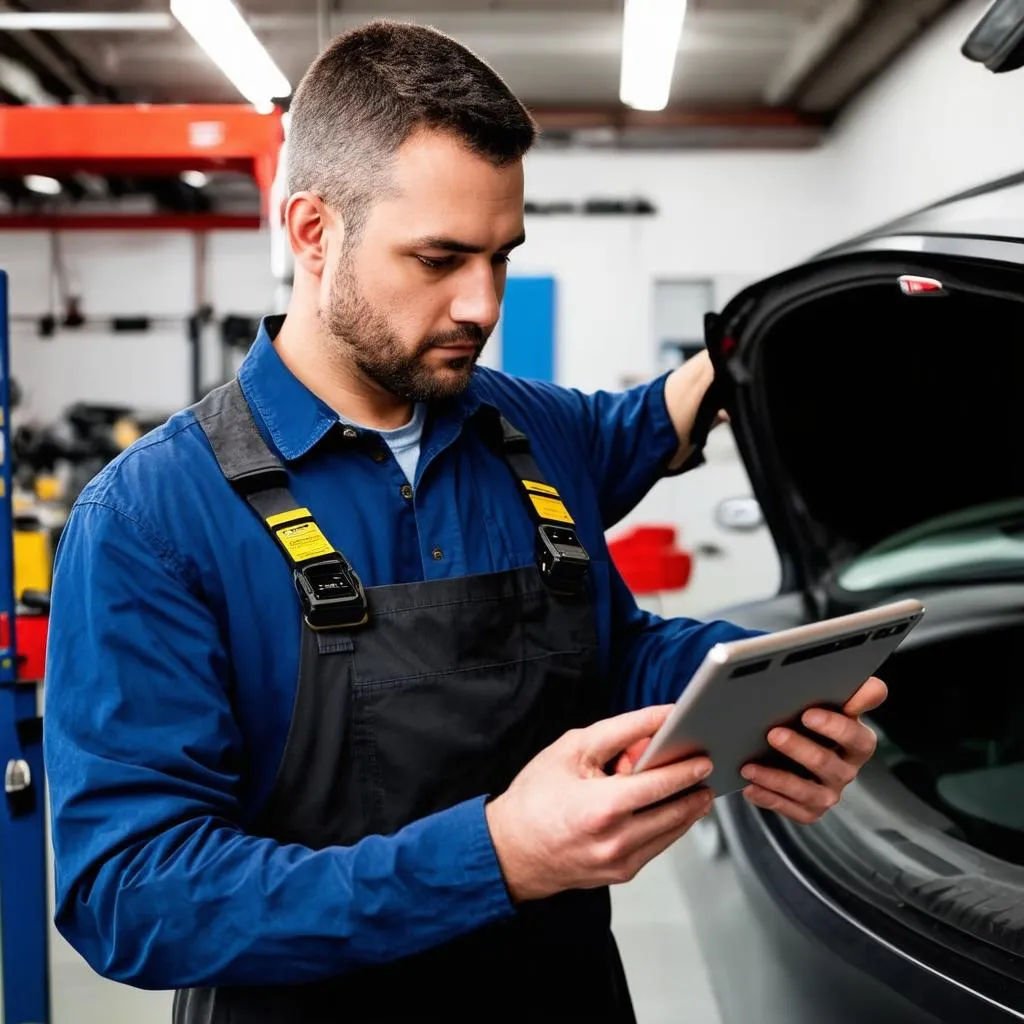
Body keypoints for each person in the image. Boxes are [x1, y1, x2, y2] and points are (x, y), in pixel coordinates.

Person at [43, 21, 886, 1024]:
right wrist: (493, 858)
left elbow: (609, 652)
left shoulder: (532, 432)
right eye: (439, 258)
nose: (481, 304)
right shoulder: (153, 515)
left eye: (501, 256)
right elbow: (129, 892)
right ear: (313, 233)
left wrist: (759, 694)